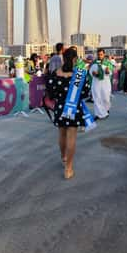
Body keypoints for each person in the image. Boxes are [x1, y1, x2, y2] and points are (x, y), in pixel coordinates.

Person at [46, 48, 90, 179]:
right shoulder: (80, 74)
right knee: (71, 137)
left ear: (63, 59)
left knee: (61, 134)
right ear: (75, 59)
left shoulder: (55, 73)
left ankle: (63, 157)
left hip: (60, 107)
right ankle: (68, 169)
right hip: (74, 108)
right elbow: (85, 93)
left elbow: (51, 93)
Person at [89, 48, 112, 120]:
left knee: (106, 98)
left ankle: (106, 110)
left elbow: (110, 72)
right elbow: (90, 71)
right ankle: (98, 114)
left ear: (104, 55)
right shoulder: (94, 62)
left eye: (101, 54)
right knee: (97, 98)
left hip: (105, 84)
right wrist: (93, 73)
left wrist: (108, 71)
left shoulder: (108, 62)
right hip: (96, 83)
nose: (99, 56)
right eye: (98, 54)